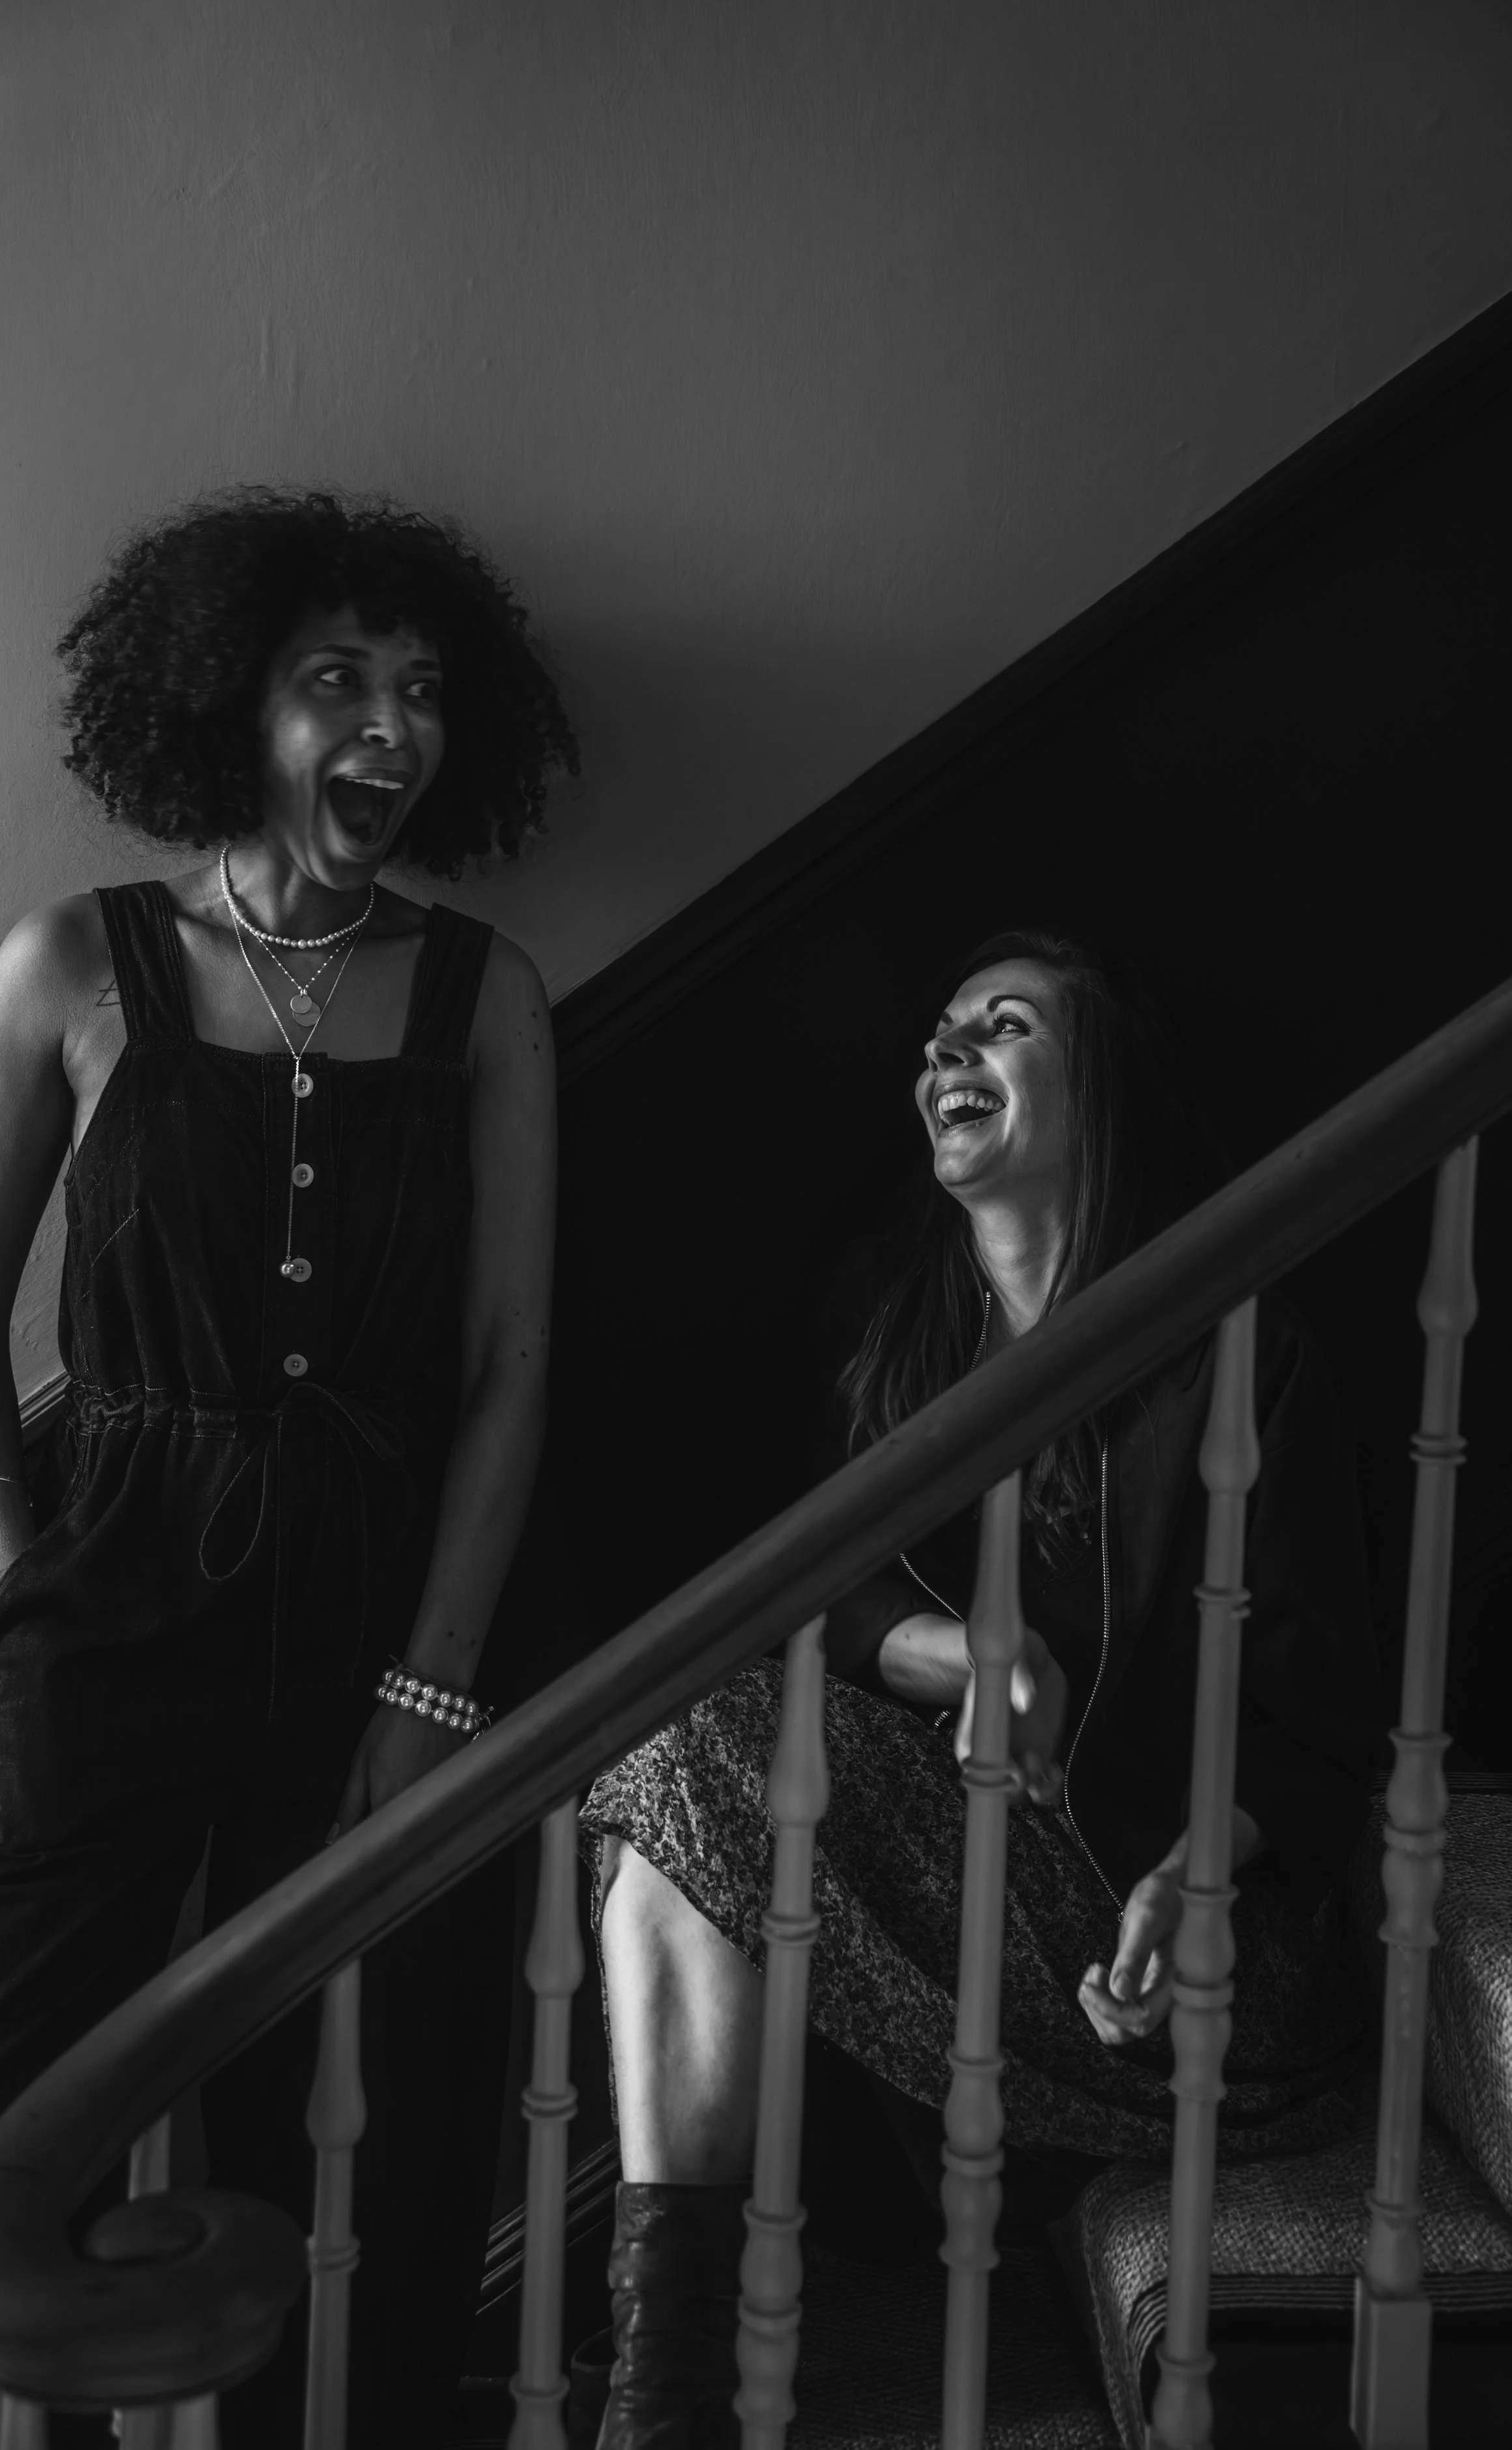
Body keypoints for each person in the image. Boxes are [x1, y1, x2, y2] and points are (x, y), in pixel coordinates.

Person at [0, 486, 578, 2449]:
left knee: (365, 2145)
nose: (390, 724)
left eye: (423, 688)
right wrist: (22, 1578)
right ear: (227, 701)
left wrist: (431, 1681)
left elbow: (513, 1359)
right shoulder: (71, 963)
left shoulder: (485, 999)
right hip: (97, 1591)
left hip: (372, 1619)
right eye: (336, 678)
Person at [578, 929, 1383, 2450]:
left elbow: (1320, 1722)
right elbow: (814, 1591)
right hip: (966, 1901)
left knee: (673, 1779)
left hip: (1190, 1962)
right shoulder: (888, 1324)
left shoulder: (1240, 1350)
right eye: (939, 1035)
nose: (947, 1055)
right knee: (673, 1768)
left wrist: (1198, 1875)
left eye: (1001, 1030)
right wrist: (961, 1649)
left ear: (1102, 1094)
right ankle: (665, 2400)